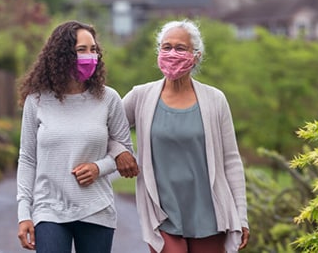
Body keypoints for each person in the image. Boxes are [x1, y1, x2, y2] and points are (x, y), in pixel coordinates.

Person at [115, 19, 250, 253]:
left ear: (195, 56)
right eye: (166, 47)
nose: (172, 53)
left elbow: (232, 161)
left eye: (180, 48)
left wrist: (241, 216)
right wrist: (120, 153)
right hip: (162, 212)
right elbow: (109, 130)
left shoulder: (215, 100)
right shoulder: (141, 96)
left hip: (209, 212)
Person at [16, 20, 135, 253]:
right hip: (48, 209)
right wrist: (24, 214)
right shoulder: (37, 100)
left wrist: (98, 168)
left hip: (96, 209)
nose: (90, 56)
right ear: (61, 55)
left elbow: (125, 151)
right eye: (82, 50)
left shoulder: (108, 98)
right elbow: (27, 159)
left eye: (93, 50)